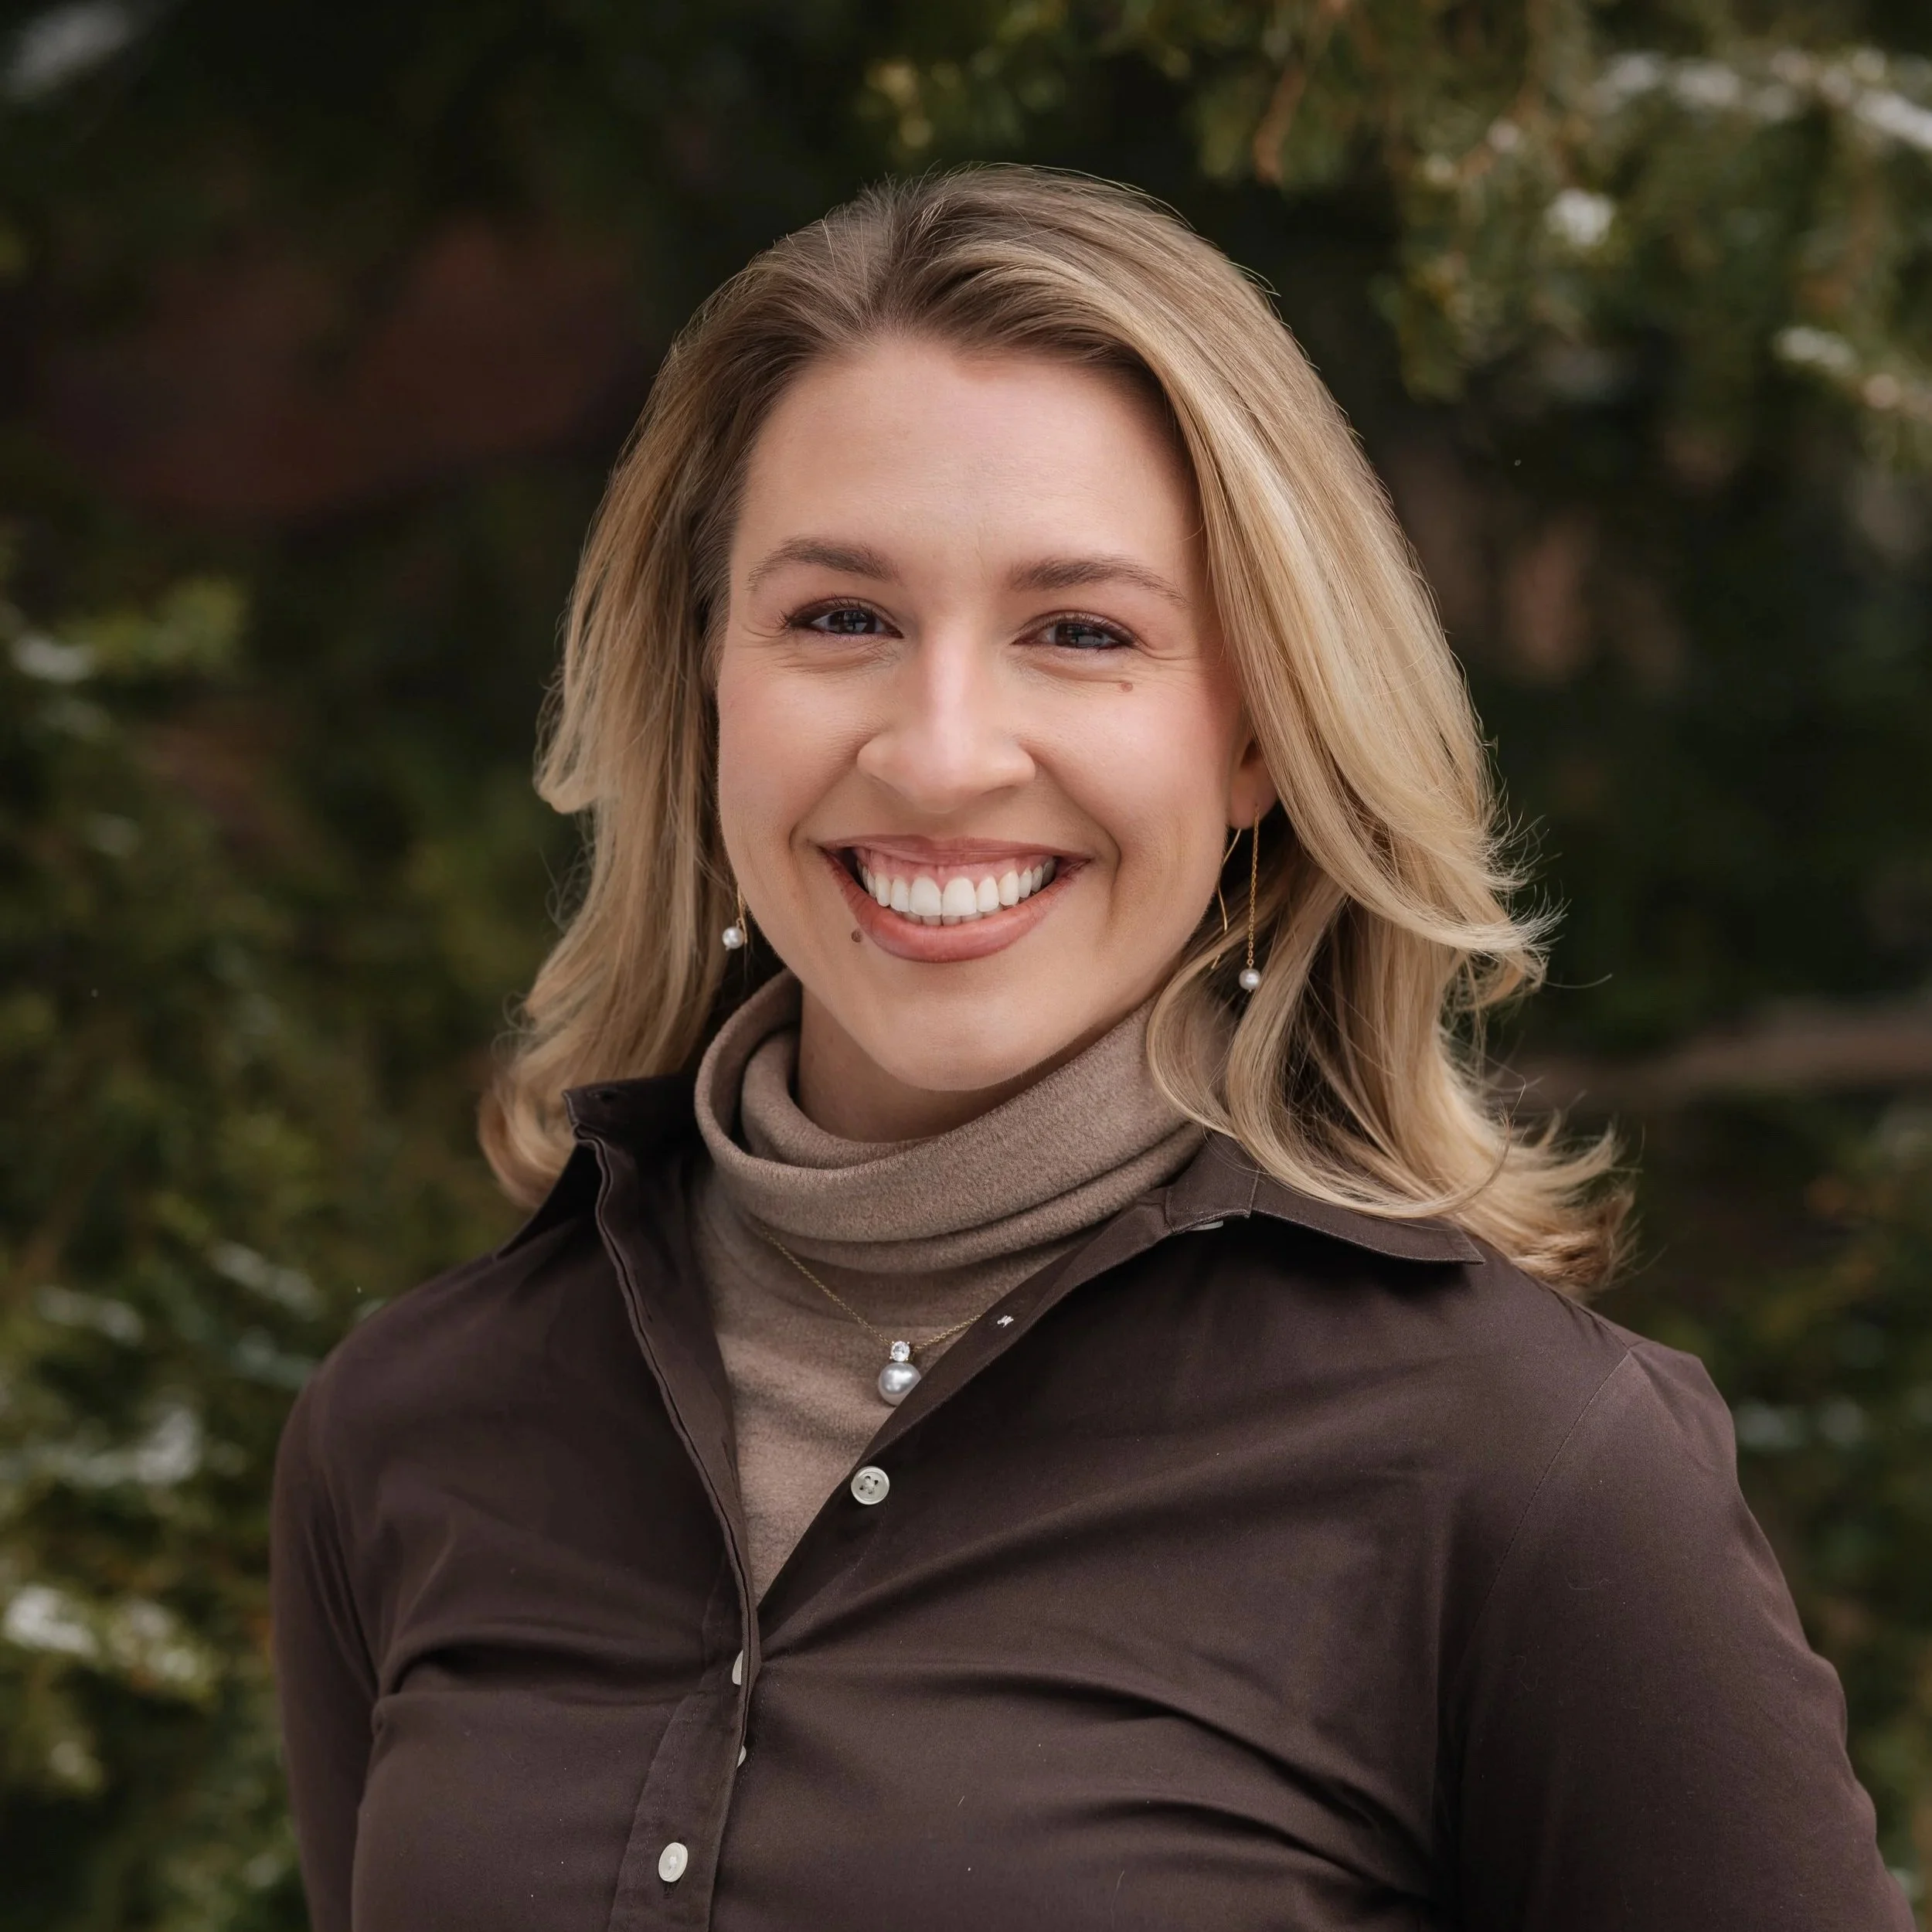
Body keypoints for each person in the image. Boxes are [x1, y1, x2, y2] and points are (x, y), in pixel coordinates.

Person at [270, 167, 1908, 1931]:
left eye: (1081, 632)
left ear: (1260, 734)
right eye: (840, 617)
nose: (942, 749)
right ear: (706, 681)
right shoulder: (415, 1424)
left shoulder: (1515, 1459)